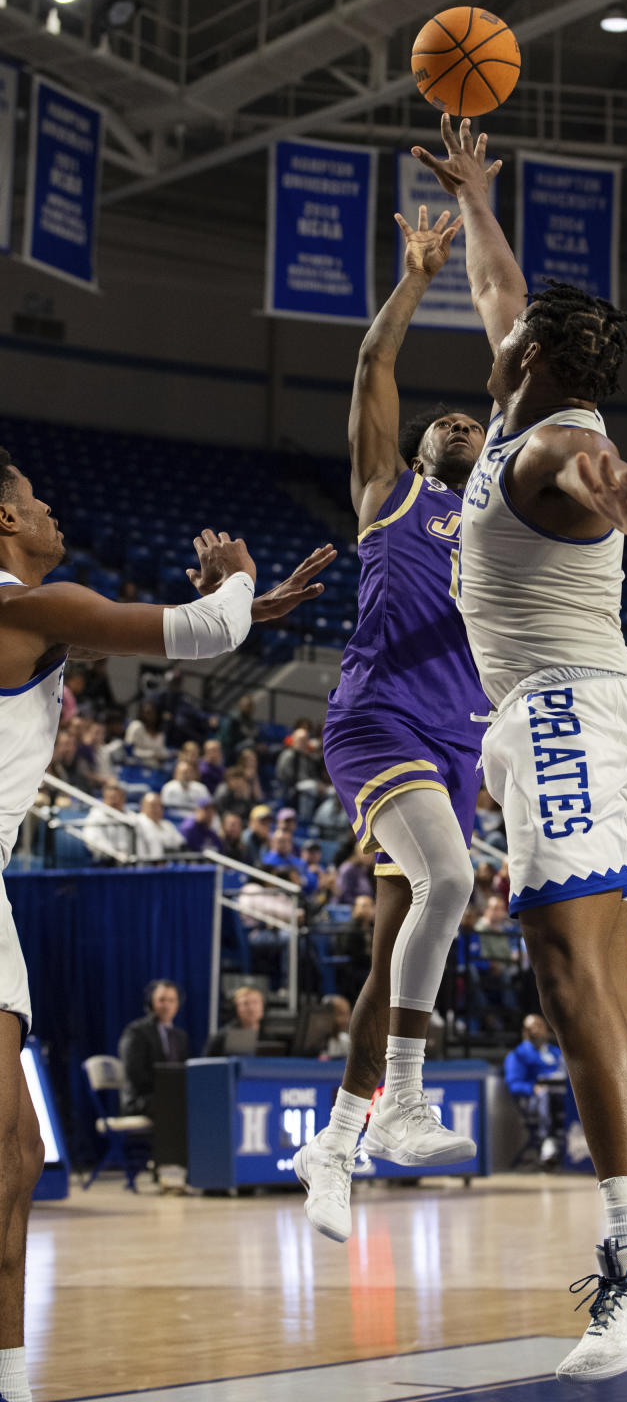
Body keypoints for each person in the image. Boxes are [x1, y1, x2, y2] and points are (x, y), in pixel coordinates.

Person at [411, 115, 627, 1394]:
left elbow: (592, 462)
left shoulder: (559, 438)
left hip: (565, 713)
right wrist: (483, 199)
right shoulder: (523, 403)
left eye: (514, 329)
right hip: (574, 715)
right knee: (606, 991)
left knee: (571, 982)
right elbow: (502, 287)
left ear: (538, 359)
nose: (495, 322)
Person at [0, 447, 336, 1402]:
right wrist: (237, 584)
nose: (52, 508)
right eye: (35, 498)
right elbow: (192, 633)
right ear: (4, 524)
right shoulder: (25, 605)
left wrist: (242, 617)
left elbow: (139, 642)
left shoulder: (32, 623)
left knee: (17, 1157)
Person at [293, 204, 490, 1245]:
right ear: (414, 448)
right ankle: (405, 1101)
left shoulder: (502, 530)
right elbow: (374, 359)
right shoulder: (389, 494)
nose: (457, 424)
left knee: (389, 959)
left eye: (472, 423)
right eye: (442, 422)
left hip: (457, 743)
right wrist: (417, 277)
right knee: (453, 883)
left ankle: (333, 1143)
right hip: (380, 720)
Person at [118, 980, 190, 1115]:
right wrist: (166, 1089)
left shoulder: (180, 1036)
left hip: (170, 1097)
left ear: (177, 1005)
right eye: (161, 1000)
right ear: (152, 1003)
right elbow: (135, 1073)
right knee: (177, 1105)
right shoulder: (136, 1032)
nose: (166, 1005)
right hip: (141, 1099)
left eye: (171, 1000)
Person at [504, 1013, 567, 1165]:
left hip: (562, 1096)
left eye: (540, 1026)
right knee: (544, 1095)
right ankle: (547, 1141)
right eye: (531, 1028)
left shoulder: (556, 1053)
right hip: (533, 1100)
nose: (536, 1031)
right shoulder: (518, 1055)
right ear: (524, 1032)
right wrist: (533, 1088)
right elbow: (513, 1084)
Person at [81, 780, 136, 863]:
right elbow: (91, 840)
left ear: (124, 798)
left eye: (118, 797)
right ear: (104, 798)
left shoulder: (131, 816)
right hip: (106, 863)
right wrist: (115, 854)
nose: (114, 801)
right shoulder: (95, 816)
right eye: (111, 798)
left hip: (131, 861)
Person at [204, 985, 265, 1057]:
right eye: (245, 1004)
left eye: (255, 1003)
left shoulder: (270, 1036)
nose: (251, 1009)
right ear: (236, 1009)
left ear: (263, 1007)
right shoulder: (222, 1038)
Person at [135, 792, 186, 861]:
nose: (156, 809)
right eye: (152, 806)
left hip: (169, 864)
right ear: (142, 807)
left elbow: (180, 843)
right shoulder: (137, 823)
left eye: (159, 806)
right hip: (147, 866)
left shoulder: (167, 824)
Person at [124, 701, 169, 767]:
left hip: (157, 768)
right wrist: (152, 754)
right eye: (146, 713)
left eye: (152, 713)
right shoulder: (136, 726)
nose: (149, 716)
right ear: (141, 714)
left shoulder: (161, 732)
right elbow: (129, 751)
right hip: (137, 766)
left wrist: (170, 754)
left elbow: (162, 752)